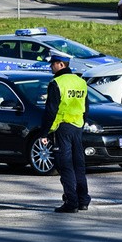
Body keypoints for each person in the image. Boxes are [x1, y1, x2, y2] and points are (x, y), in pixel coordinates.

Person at [40, 52, 91, 214]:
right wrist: (80, 125)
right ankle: (83, 200)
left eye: (53, 63)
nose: (51, 66)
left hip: (62, 129)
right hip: (77, 128)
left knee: (66, 166)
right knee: (79, 165)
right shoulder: (81, 82)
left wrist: (44, 133)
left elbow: (51, 111)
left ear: (61, 65)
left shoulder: (56, 83)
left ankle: (71, 202)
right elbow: (86, 108)